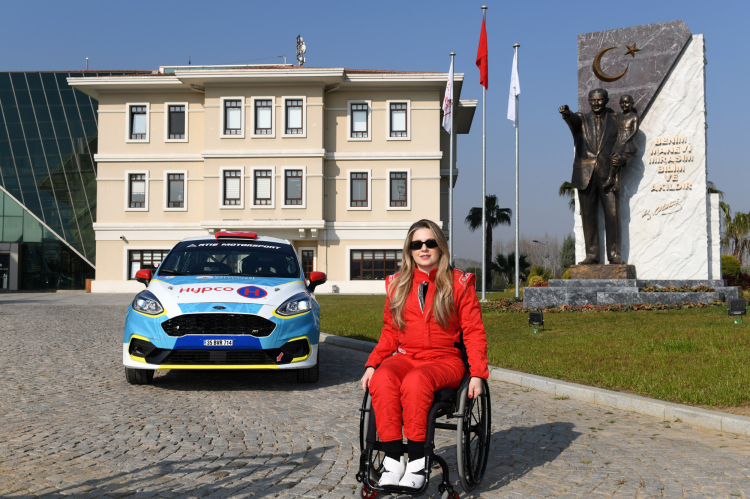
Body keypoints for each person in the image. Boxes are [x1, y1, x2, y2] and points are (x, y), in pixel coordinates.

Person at [360, 219, 489, 489]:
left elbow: (474, 332)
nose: (424, 248)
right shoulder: (397, 284)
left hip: (445, 360)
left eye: (430, 242)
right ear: (409, 250)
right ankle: (393, 460)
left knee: (416, 380)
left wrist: (477, 373)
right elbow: (390, 332)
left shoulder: (460, 283)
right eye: (417, 244)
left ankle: (418, 461)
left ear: (441, 247)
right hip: (406, 357)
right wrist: (372, 364)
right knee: (382, 378)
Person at [559, 88, 631, 265]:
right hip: (585, 175)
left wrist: (624, 158)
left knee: (613, 215)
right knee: (588, 216)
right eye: (593, 100)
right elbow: (573, 120)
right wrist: (567, 114)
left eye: (599, 100)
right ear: (589, 101)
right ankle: (592, 255)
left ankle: (614, 254)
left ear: (606, 100)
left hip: (609, 176)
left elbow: (627, 142)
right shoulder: (581, 120)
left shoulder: (616, 119)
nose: (596, 103)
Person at [603, 94, 639, 193]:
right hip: (619, 139)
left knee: (617, 160)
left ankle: (611, 178)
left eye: (627, 103)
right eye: (622, 103)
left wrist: (626, 140)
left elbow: (635, 130)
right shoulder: (618, 115)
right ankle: (616, 182)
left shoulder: (634, 116)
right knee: (615, 160)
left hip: (627, 142)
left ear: (632, 103)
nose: (624, 105)